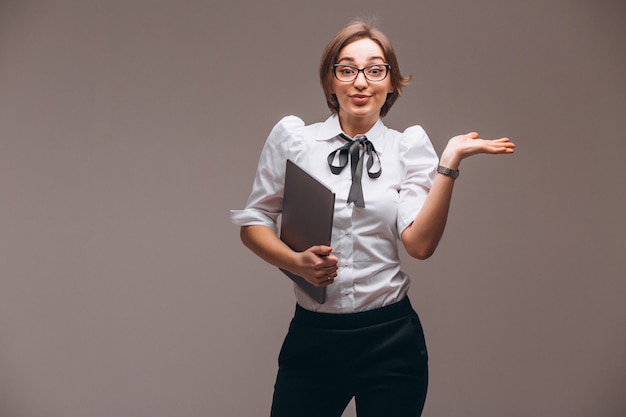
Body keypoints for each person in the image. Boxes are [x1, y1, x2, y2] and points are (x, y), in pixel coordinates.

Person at [231, 19, 515, 417]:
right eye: (346, 69)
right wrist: (295, 262)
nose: (360, 82)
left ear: (391, 83)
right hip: (313, 338)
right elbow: (254, 222)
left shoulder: (408, 147)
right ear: (330, 83)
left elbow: (419, 245)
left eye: (375, 69)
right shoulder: (296, 140)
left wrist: (447, 164)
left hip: (391, 340)